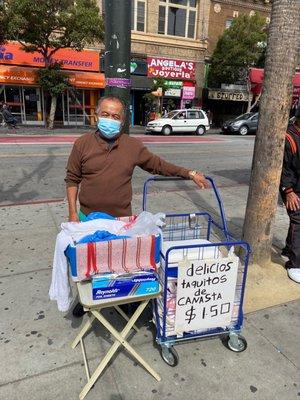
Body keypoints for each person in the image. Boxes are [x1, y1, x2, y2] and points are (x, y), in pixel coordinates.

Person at [65, 95, 209, 316]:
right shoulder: (82, 144)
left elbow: (158, 165)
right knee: (91, 267)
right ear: (96, 115)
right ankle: (85, 302)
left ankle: (122, 299)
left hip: (121, 221)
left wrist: (188, 173)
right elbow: (72, 179)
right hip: (88, 219)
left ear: (122, 121)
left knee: (120, 266)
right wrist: (73, 213)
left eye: (115, 116)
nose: (109, 120)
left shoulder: (132, 146)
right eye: (105, 114)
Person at [280, 106, 300, 283]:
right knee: (298, 220)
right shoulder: (289, 137)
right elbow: (285, 169)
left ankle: (288, 249)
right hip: (291, 188)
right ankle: (294, 264)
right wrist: (289, 192)